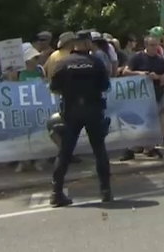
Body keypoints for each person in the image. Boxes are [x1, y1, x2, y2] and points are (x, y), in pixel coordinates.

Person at [47, 30, 112, 207]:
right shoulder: (96, 63)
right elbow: (106, 86)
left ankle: (56, 193)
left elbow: (54, 88)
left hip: (71, 111)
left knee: (65, 152)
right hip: (93, 109)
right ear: (87, 43)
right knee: (99, 150)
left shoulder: (63, 63)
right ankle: (105, 190)